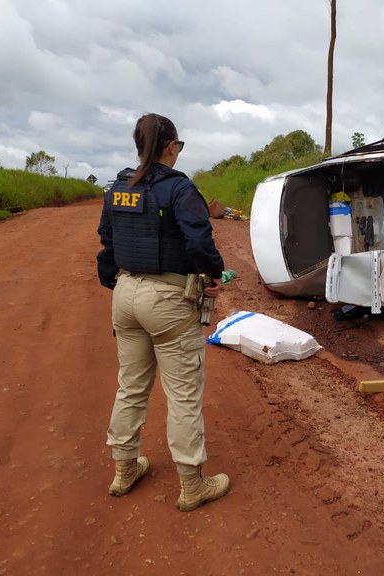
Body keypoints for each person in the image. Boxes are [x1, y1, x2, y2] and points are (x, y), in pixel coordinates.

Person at [96, 113, 229, 511]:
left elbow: (107, 240)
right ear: (171, 146)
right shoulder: (179, 188)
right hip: (168, 300)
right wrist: (214, 274)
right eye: (178, 146)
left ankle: (124, 469)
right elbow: (199, 241)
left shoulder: (117, 188)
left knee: (131, 387)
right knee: (183, 395)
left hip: (125, 293)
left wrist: (123, 282)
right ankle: (192, 484)